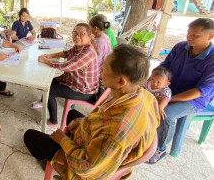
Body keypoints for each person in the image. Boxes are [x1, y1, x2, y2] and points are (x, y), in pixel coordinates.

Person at [24, 44, 160, 179]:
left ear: (120, 81)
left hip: (85, 167)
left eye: (105, 67)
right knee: (73, 115)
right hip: (96, 143)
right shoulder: (146, 96)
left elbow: (86, 168)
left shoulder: (117, 130)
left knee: (30, 136)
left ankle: (50, 163)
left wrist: (64, 140)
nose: (100, 69)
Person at [148, 17, 214, 164]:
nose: (189, 38)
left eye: (194, 35)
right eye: (188, 33)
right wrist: (153, 85)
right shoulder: (180, 47)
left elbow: (198, 92)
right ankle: (144, 138)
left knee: (166, 115)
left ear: (210, 36)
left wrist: (167, 99)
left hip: (194, 99)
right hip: (170, 88)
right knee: (142, 101)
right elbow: (163, 69)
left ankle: (159, 149)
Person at [30, 23, 99, 131]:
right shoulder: (79, 47)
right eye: (75, 33)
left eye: (82, 34)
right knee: (49, 81)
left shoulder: (87, 53)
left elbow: (66, 66)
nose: (77, 36)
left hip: (83, 90)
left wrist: (46, 61)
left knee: (50, 91)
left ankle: (53, 123)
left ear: (89, 37)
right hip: (75, 82)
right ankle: (43, 102)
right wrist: (50, 56)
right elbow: (67, 53)